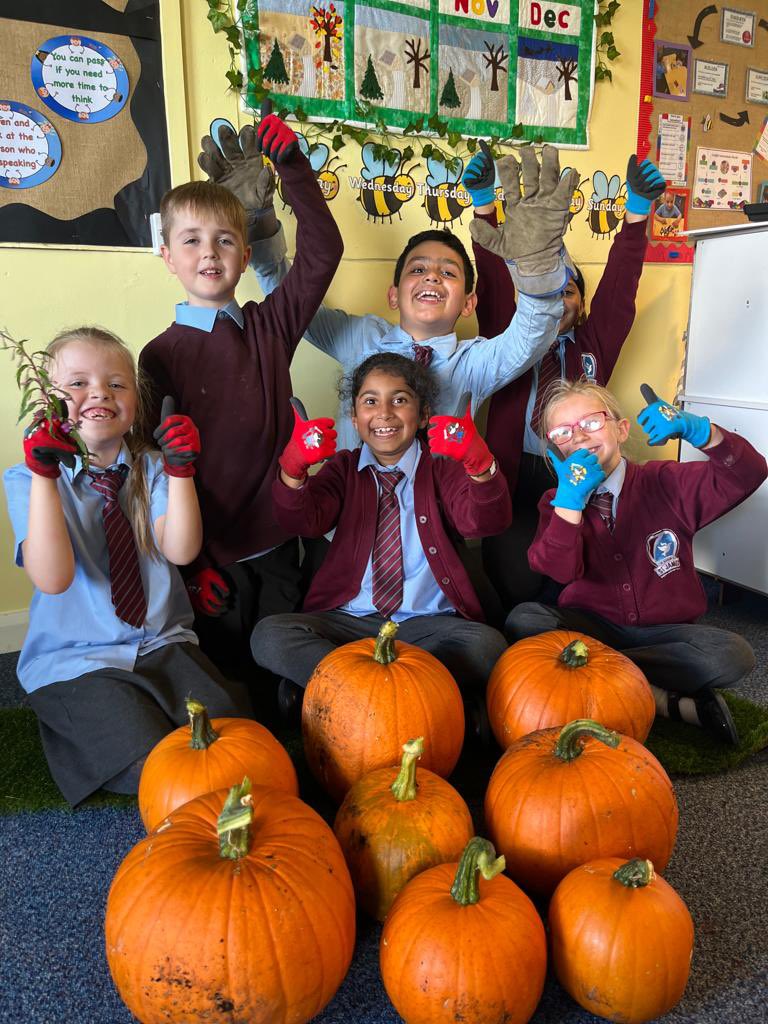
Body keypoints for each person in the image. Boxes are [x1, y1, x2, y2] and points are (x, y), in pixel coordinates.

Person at [2, 327, 250, 806]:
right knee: (148, 758)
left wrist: (181, 473)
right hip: (77, 659)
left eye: (117, 384)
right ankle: (80, 726)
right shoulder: (26, 479)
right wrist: (45, 478)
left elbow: (179, 550)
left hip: (161, 644)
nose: (98, 392)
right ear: (48, 402)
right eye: (77, 384)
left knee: (229, 735)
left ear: (137, 400)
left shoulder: (153, 468)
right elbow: (52, 578)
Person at [139, 109, 344, 684]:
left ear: (245, 254)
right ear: (169, 256)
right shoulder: (158, 356)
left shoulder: (271, 326)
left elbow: (323, 251)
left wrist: (295, 170)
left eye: (225, 239)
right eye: (192, 240)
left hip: (278, 541)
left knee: (282, 663)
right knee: (225, 681)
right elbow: (157, 473)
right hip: (208, 551)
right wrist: (192, 565)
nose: (210, 252)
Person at [214, 138, 579, 451]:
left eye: (448, 272)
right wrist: (258, 225)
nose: (432, 277)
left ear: (469, 303)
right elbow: (290, 300)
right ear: (394, 295)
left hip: (434, 525)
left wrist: (535, 267)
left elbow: (531, 333)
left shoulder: (475, 363)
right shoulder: (361, 338)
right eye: (417, 269)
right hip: (348, 525)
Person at [250, 352, 511, 723]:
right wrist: (293, 471)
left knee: (486, 647)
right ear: (355, 419)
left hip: (426, 626)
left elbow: (483, 522)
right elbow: (305, 520)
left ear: (422, 415)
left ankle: (333, 692)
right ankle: (415, 699)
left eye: (399, 400)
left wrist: (480, 466)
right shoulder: (343, 469)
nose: (384, 412)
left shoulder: (442, 470)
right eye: (370, 401)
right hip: (350, 624)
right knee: (269, 636)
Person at [504, 379, 767, 745]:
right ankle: (662, 700)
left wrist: (700, 431)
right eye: (564, 432)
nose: (579, 436)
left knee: (733, 654)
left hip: (665, 633)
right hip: (593, 629)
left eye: (592, 423)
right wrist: (570, 504)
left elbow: (749, 473)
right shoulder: (555, 500)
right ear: (554, 452)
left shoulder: (666, 483)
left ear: (621, 428)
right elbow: (557, 570)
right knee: (526, 620)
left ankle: (607, 684)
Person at [461, 147, 666, 610]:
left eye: (567, 290)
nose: (557, 298)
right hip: (515, 477)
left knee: (578, 579)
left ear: (581, 307)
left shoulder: (594, 344)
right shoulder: (507, 339)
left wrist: (636, 211)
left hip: (577, 475)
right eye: (547, 289)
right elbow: (496, 281)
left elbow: (620, 287)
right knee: (515, 583)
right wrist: (483, 206)